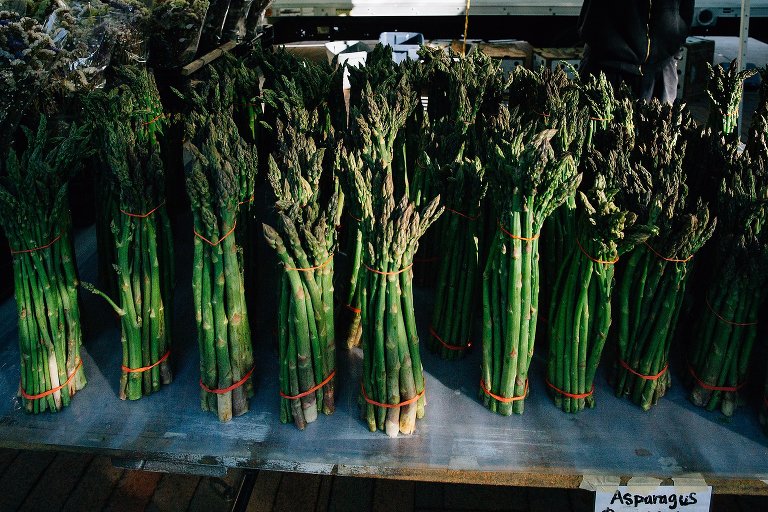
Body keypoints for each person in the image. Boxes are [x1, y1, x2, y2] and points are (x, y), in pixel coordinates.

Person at [578, 0, 695, 103]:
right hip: (608, 67)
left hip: (661, 69)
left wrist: (673, 48)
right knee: (602, 126)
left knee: (658, 125)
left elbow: (686, 10)